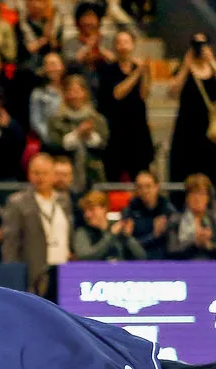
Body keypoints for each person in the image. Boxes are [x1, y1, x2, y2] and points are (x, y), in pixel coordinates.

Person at [168, 32, 216, 192]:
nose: (199, 49)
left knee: (211, 172)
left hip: (211, 130)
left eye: (203, 45)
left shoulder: (214, 68)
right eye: (196, 45)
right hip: (186, 129)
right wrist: (186, 65)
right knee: (184, 171)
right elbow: (172, 91)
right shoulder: (183, 69)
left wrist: (212, 61)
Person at [2, 153, 71, 298]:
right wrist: (13, 275)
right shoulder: (17, 202)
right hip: (34, 273)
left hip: (63, 271)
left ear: (53, 175)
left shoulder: (64, 201)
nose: (40, 178)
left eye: (45, 173)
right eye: (36, 173)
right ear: (29, 174)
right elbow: (10, 243)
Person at [98, 29, 152, 183]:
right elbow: (117, 93)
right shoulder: (109, 69)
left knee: (141, 174)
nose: (123, 46)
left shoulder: (139, 67)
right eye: (119, 43)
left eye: (126, 42)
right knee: (113, 175)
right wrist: (137, 73)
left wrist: (146, 73)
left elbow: (144, 95)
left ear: (133, 45)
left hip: (138, 128)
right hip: (117, 128)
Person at [47, 73, 107, 193]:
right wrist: (78, 133)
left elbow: (104, 145)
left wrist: (90, 135)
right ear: (65, 94)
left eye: (78, 91)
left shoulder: (97, 119)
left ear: (85, 93)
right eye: (71, 91)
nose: (74, 95)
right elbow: (55, 145)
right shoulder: (56, 119)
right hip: (63, 178)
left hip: (93, 176)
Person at [167, 173, 216, 260]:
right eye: (193, 194)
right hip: (183, 269)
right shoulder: (175, 221)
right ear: (187, 198)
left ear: (208, 198)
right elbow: (171, 251)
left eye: (201, 194)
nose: (197, 198)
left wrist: (210, 245)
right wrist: (195, 243)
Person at [73, 189, 144, 260]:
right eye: (85, 211)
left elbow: (141, 256)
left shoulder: (119, 229)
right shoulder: (82, 232)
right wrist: (111, 235)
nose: (87, 215)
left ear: (104, 208)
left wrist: (127, 237)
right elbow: (85, 257)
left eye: (91, 209)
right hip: (95, 271)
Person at [122, 170, 174, 259]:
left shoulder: (167, 210)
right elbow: (127, 245)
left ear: (157, 187)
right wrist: (154, 235)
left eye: (148, 186)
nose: (144, 191)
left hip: (162, 261)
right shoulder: (130, 210)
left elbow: (172, 245)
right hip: (136, 259)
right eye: (140, 187)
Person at [28, 50, 65, 144]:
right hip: (50, 141)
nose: (51, 68)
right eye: (47, 65)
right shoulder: (38, 94)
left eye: (54, 64)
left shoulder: (70, 89)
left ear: (62, 66)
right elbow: (36, 122)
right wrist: (51, 139)